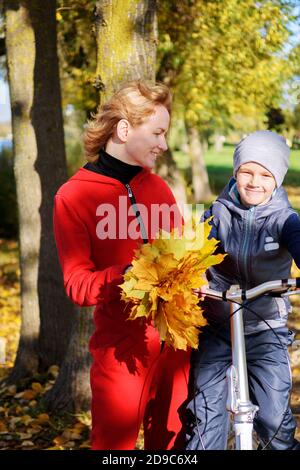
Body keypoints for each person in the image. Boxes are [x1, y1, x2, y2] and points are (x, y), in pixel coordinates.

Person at [53, 80, 190, 450]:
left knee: (174, 447)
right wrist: (128, 277)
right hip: (121, 354)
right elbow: (76, 283)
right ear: (125, 129)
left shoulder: (158, 188)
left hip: (176, 348)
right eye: (157, 133)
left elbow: (183, 260)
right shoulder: (73, 196)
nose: (163, 144)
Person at [186, 130, 300, 450]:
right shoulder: (217, 213)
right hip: (218, 321)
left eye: (265, 175)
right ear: (235, 172)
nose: (254, 181)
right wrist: (194, 275)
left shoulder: (285, 219)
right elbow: (192, 251)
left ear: (276, 180)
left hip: (265, 326)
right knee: (205, 415)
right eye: (247, 171)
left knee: (274, 419)